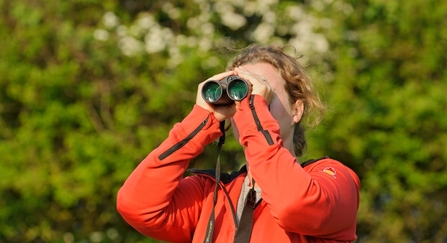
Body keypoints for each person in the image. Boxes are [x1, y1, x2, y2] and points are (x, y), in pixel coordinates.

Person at [117, 44, 360, 243]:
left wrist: (254, 109)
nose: (247, 104)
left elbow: (292, 205)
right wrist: (200, 122)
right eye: (239, 94)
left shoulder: (333, 179)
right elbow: (137, 206)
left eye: (264, 95)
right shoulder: (210, 194)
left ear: (297, 110)